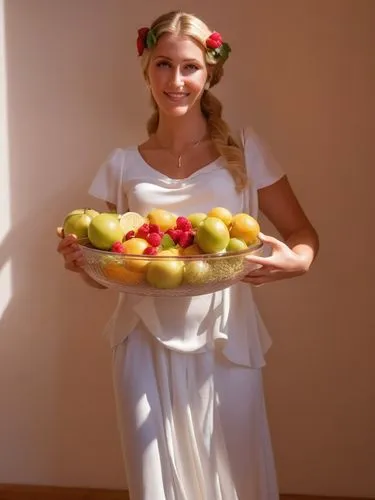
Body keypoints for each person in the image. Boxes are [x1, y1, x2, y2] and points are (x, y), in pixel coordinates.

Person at [57, 10, 319, 500]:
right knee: (153, 482)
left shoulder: (245, 151)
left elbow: (303, 233)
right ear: (146, 69)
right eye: (162, 65)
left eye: (189, 67)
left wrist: (298, 262)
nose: (175, 80)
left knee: (235, 475)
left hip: (225, 336)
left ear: (209, 72)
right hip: (141, 338)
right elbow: (115, 268)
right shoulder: (121, 165)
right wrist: (82, 265)